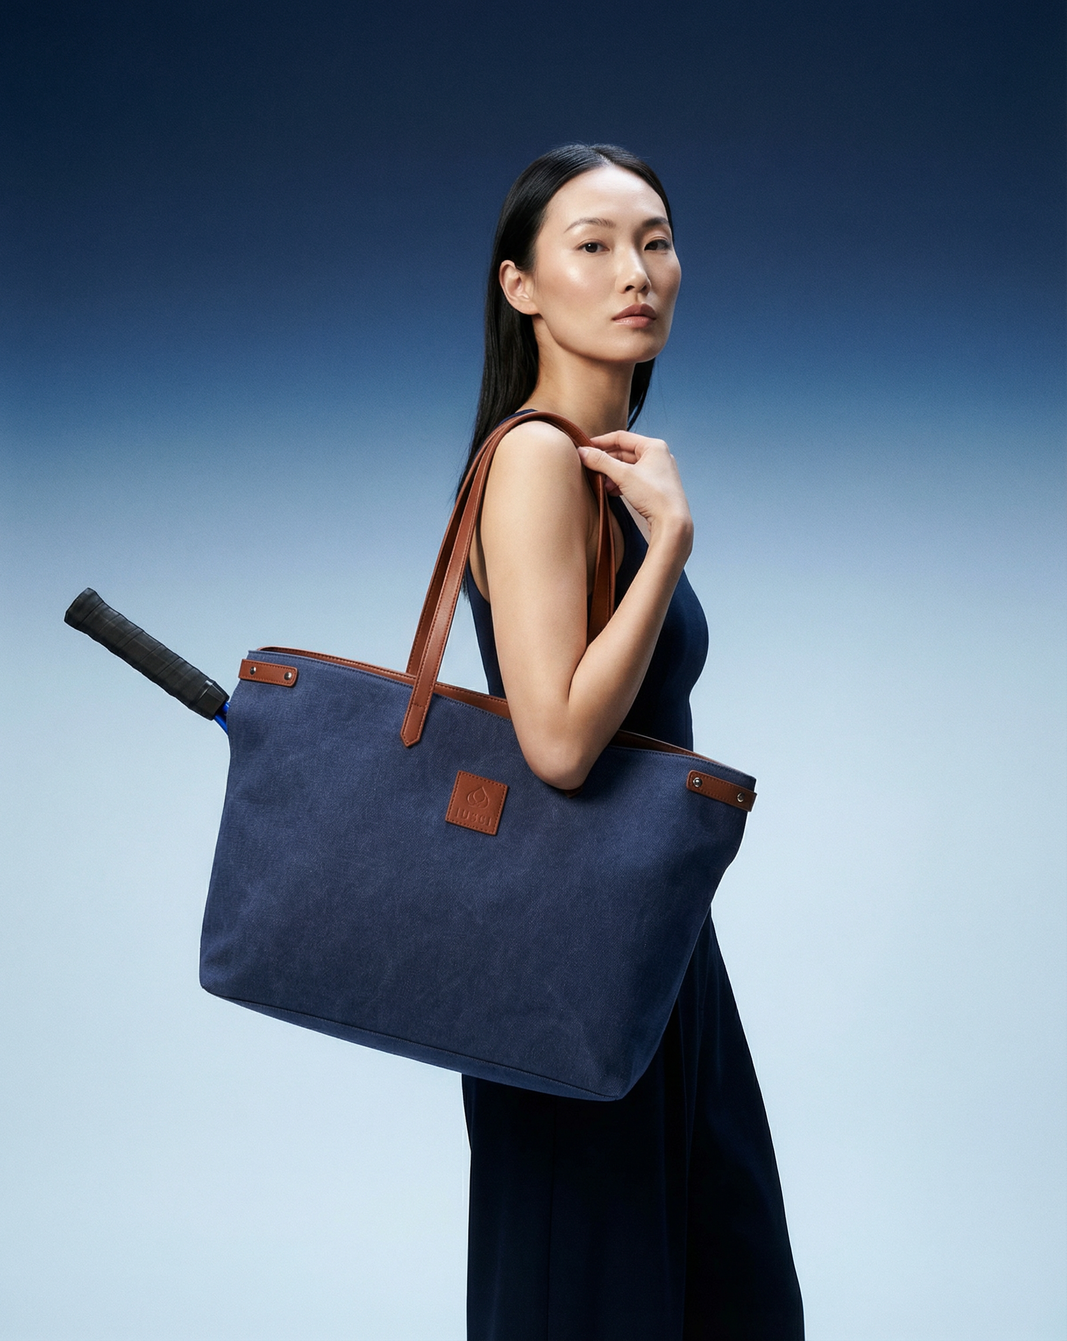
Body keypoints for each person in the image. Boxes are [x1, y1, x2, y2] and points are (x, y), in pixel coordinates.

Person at [459, 144, 804, 1341]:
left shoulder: (606, 470)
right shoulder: (534, 458)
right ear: (520, 286)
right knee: (596, 1302)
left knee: (716, 1290)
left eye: (654, 241)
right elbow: (558, 743)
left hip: (653, 939)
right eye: (594, 245)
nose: (635, 272)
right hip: (569, 957)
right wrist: (671, 551)